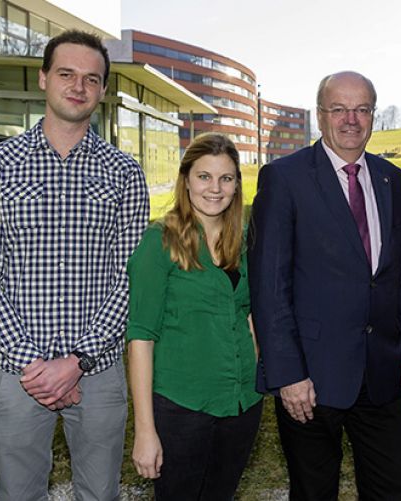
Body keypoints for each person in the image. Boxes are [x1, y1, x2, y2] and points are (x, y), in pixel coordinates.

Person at [0, 30, 149, 500]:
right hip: (16, 372)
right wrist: (33, 364)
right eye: (66, 73)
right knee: (18, 493)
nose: (78, 86)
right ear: (44, 78)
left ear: (102, 91)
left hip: (99, 370)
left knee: (99, 493)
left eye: (91, 78)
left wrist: (77, 360)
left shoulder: (125, 173)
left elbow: (129, 278)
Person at [248, 71, 401, 501]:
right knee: (313, 491)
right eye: (339, 109)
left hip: (381, 373)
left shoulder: (393, 180)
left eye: (362, 109)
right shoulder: (284, 178)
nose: (351, 119)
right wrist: (287, 373)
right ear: (320, 116)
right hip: (312, 375)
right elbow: (270, 288)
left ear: (373, 117)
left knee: (393, 487)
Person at [126, 133, 262, 500]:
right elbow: (140, 337)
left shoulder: (245, 241)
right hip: (182, 408)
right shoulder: (160, 242)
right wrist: (145, 430)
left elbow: (249, 315)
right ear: (186, 180)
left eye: (226, 178)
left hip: (242, 404)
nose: (215, 188)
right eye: (204, 176)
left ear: (236, 184)